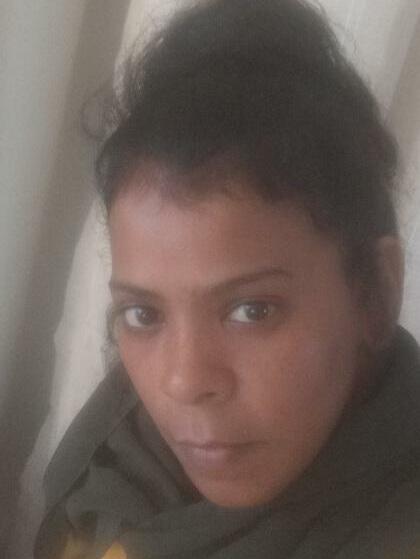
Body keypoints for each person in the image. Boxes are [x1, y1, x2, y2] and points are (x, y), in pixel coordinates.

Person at [34, 0, 420, 557]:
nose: (183, 381)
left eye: (251, 311)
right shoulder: (114, 450)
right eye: (144, 314)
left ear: (375, 295)